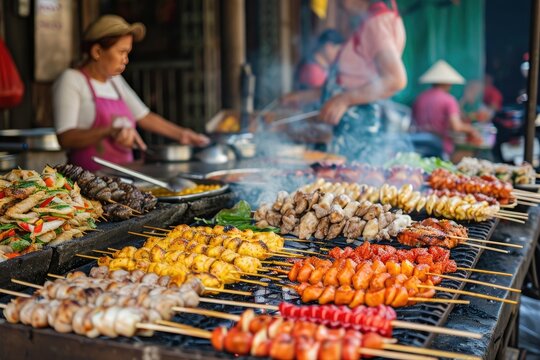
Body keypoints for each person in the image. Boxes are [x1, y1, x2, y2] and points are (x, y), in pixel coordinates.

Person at [53, 15, 209, 171]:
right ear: (97, 51)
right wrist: (110, 130)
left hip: (124, 177)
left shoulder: (115, 80)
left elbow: (144, 116)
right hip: (87, 182)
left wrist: (183, 134)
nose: (125, 60)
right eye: (122, 52)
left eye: (127, 53)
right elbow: (65, 138)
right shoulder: (71, 80)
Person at [316, 0, 408, 162]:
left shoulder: (376, 23)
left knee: (353, 181)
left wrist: (343, 99)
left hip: (359, 130)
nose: (339, 5)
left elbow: (395, 79)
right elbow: (354, 80)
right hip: (353, 130)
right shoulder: (376, 19)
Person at [412, 60, 482, 158]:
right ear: (448, 83)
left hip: (417, 145)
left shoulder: (420, 98)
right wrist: (471, 130)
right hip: (439, 147)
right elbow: (456, 126)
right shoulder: (448, 99)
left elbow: (413, 123)